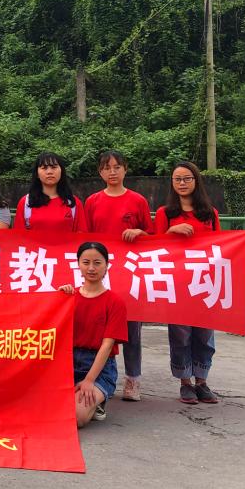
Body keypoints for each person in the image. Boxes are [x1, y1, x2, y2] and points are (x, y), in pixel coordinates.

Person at [84, 150, 153, 402]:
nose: (112, 172)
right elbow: (85, 238)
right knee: (97, 329)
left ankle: (133, 378)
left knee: (131, 328)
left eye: (117, 167)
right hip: (99, 274)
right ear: (100, 172)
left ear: (125, 169)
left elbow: (152, 236)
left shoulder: (138, 200)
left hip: (130, 274)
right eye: (106, 168)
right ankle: (98, 376)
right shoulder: (92, 201)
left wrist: (139, 232)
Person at [156, 161, 221, 405]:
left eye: (187, 178)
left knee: (205, 335)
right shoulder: (165, 213)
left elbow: (221, 246)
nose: (182, 183)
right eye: (177, 179)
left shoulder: (210, 213)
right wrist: (171, 232)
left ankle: (202, 381)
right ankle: (185, 382)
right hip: (178, 284)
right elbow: (155, 247)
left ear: (196, 181)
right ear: (172, 183)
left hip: (205, 283)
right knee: (180, 335)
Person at [58, 241, 129, 427]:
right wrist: (57, 298)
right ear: (78, 265)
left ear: (106, 266)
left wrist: (89, 380)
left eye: (97, 263)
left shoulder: (115, 302)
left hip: (100, 367)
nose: (91, 268)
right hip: (67, 363)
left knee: (77, 418)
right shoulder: (69, 297)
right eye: (86, 262)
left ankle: (98, 400)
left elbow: (107, 346)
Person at [16, 152, 86, 233]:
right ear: (37, 174)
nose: (49, 172)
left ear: (61, 171)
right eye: (44, 168)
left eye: (54, 167)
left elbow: (81, 236)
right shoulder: (26, 203)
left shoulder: (73, 203)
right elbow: (19, 237)